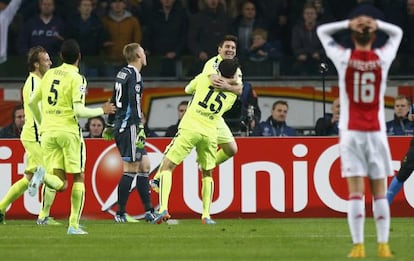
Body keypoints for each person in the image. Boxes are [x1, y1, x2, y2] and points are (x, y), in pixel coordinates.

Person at [317, 13, 402, 258]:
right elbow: (398, 33)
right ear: (373, 37)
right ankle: (384, 246)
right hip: (376, 132)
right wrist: (378, 23)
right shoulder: (382, 58)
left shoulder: (344, 58)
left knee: (355, 192)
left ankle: (358, 246)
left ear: (353, 37)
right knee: (378, 192)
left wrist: (347, 23)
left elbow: (322, 31)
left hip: (351, 132)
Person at [28, 39, 116, 234]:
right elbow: (79, 111)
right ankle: (73, 225)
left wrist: (42, 122)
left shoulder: (49, 73)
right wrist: (102, 109)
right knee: (78, 177)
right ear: (79, 57)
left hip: (48, 132)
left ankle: (43, 181)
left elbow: (33, 102)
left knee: (59, 181)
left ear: (60, 56)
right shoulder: (78, 79)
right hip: (68, 132)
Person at [151, 58, 240, 225]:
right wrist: (230, 83)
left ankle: (163, 208)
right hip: (210, 133)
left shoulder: (204, 78)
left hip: (190, 127)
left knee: (167, 167)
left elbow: (187, 89)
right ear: (234, 74)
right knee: (207, 173)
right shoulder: (232, 95)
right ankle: (206, 215)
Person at [102, 43, 156, 223]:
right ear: (138, 55)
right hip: (130, 125)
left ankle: (149, 211)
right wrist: (139, 125)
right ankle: (120, 213)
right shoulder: (134, 74)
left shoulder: (122, 72)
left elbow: (114, 98)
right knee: (131, 168)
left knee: (145, 166)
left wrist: (110, 123)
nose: (145, 53)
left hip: (123, 125)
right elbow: (133, 99)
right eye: (143, 50)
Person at [0, 46, 52, 225]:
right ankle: (43, 217)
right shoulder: (33, 83)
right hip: (36, 134)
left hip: (34, 134)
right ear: (36, 64)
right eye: (46, 60)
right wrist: (44, 132)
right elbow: (36, 110)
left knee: (28, 176)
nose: (50, 62)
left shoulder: (39, 81)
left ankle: (1, 208)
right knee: (50, 171)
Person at [66, 0, 110, 77]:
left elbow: (102, 39)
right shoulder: (72, 22)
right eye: (85, 5)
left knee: (92, 83)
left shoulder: (97, 22)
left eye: (89, 5)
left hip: (93, 58)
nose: (87, 8)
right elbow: (69, 38)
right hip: (77, 59)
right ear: (79, 8)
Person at [101, 0, 142, 77]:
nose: (117, 5)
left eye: (120, 2)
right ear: (111, 5)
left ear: (125, 4)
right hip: (110, 61)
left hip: (128, 62)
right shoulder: (105, 21)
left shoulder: (133, 21)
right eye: (114, 2)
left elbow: (137, 41)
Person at [291, 3, 324, 75]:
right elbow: (295, 47)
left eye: (312, 13)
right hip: (303, 59)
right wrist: (310, 52)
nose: (309, 15)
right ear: (303, 15)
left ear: (316, 15)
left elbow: (326, 46)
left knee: (325, 67)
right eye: (307, 13)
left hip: (319, 58)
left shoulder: (322, 29)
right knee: (297, 67)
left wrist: (319, 53)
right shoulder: (297, 29)